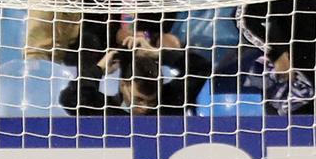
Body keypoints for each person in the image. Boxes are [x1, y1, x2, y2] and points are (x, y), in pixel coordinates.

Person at [57, 39, 211, 116]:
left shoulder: (170, 103)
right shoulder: (106, 110)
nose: (145, 109)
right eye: (139, 100)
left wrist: (159, 54)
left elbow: (201, 67)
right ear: (124, 86)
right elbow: (70, 98)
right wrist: (98, 69)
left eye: (152, 102)